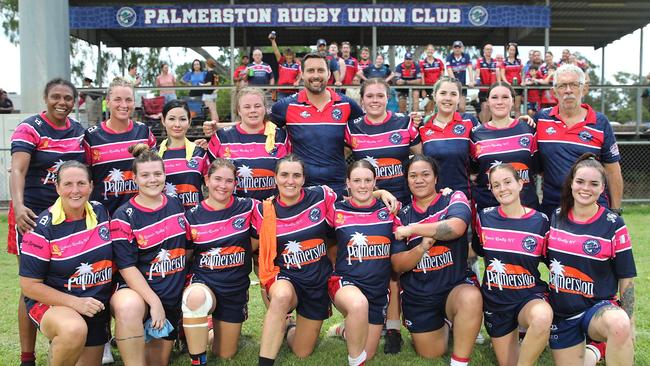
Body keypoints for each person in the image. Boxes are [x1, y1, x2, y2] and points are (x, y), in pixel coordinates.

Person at [9, 78, 86, 366]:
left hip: (70, 218)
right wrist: (18, 206)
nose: (62, 102)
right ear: (45, 97)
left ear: (75, 101)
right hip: (33, 218)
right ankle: (27, 357)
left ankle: (78, 339)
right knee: (31, 285)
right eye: (56, 96)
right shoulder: (30, 128)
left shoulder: (79, 132)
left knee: (71, 278)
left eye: (68, 98)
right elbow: (17, 169)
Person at [344, 78, 422, 354]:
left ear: (387, 98)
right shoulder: (352, 128)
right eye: (370, 96)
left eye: (380, 95)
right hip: (365, 206)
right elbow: (348, 164)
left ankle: (393, 328)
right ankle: (354, 323)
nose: (375, 100)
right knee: (373, 265)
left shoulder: (403, 124)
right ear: (362, 100)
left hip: (399, 205)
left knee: (395, 268)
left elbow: (420, 159)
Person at [19, 161, 113, 366]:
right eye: (68, 184)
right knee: (73, 329)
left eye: (81, 183)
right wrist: (75, 303)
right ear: (57, 187)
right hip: (53, 303)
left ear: (91, 186)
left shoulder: (100, 212)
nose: (75, 190)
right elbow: (28, 286)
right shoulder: (41, 228)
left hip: (92, 308)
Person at [392, 154, 482, 365]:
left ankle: (459, 361)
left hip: (454, 285)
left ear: (435, 178)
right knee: (431, 353)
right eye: (413, 175)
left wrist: (413, 230)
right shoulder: (401, 216)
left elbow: (456, 228)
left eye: (425, 174)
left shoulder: (453, 198)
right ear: (406, 180)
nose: (419, 180)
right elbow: (397, 264)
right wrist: (422, 247)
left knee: (470, 298)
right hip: (419, 294)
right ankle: (448, 324)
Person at [547, 154, 635, 366]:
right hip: (563, 315)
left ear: (602, 188)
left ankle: (601, 342)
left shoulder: (613, 224)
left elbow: (626, 278)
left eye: (594, 183)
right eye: (580, 181)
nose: (585, 188)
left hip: (597, 308)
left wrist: (629, 323)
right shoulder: (556, 217)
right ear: (571, 183)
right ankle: (595, 349)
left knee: (619, 324)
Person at [253, 155, 338, 365]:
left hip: (317, 281)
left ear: (303, 179)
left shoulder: (321, 196)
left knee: (302, 352)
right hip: (286, 278)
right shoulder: (263, 210)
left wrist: (379, 192)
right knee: (281, 296)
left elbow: (354, 203)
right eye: (284, 175)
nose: (290, 181)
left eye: (296, 175)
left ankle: (288, 327)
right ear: (275, 178)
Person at [109, 144, 187, 366]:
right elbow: (126, 267)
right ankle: (129, 330)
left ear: (165, 175)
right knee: (128, 307)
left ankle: (135, 337)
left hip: (170, 297)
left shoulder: (175, 204)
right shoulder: (123, 216)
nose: (152, 180)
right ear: (134, 178)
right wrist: (154, 302)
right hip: (139, 294)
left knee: (157, 363)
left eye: (157, 174)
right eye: (145, 175)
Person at [475, 163, 552, 366]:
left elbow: (555, 261)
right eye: (496, 185)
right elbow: (473, 251)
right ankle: (519, 339)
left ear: (520, 183)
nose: (503, 189)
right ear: (491, 189)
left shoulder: (540, 221)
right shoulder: (484, 218)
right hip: (497, 302)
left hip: (528, 297)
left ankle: (532, 332)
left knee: (542, 318)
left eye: (508, 182)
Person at [182, 158, 257, 365]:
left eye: (229, 181)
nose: (222, 186)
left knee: (225, 354)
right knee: (196, 299)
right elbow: (187, 256)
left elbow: (257, 242)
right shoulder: (192, 216)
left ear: (235, 184)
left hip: (235, 288)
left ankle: (204, 328)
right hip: (205, 282)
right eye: (217, 179)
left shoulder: (248, 207)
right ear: (206, 180)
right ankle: (197, 359)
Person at [325, 160, 398, 364]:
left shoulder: (390, 211)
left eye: (367, 180)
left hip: (377, 291)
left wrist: (446, 193)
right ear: (348, 183)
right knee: (358, 305)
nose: (363, 185)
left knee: (369, 351)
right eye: (357, 180)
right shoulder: (336, 210)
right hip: (345, 283)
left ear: (375, 182)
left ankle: (345, 329)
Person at [270, 52, 364, 197]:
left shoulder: (347, 104)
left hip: (338, 187)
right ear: (302, 74)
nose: (316, 75)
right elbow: (261, 128)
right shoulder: (285, 106)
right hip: (301, 188)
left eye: (320, 70)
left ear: (328, 74)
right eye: (310, 70)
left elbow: (368, 129)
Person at [535, 64, 623, 218]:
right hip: (553, 208)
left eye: (574, 85)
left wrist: (615, 211)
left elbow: (612, 171)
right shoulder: (541, 119)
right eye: (562, 85)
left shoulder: (600, 122)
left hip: (593, 209)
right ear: (554, 91)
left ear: (584, 89)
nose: (568, 90)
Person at [84, 77, 157, 215]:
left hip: (141, 217)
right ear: (108, 101)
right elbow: (84, 180)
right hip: (104, 218)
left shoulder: (143, 132)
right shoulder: (92, 137)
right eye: (117, 99)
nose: (124, 105)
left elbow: (156, 168)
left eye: (128, 100)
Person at [208, 87, 290, 201]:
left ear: (265, 108)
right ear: (239, 110)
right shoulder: (222, 137)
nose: (253, 110)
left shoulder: (280, 136)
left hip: (272, 209)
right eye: (247, 107)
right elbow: (208, 176)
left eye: (257, 106)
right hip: (234, 211)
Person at [470, 82, 539, 212]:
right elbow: (473, 172)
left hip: (526, 207)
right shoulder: (476, 134)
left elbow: (537, 167)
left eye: (505, 97)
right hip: (488, 209)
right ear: (487, 102)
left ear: (513, 101)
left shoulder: (528, 129)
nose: (500, 102)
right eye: (494, 97)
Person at [419, 76, 479, 198]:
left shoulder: (469, 121)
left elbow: (486, 149)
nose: (448, 98)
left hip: (463, 197)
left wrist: (523, 123)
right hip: (430, 200)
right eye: (443, 93)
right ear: (435, 96)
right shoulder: (422, 127)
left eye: (453, 94)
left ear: (459, 98)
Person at [158, 99, 209, 208]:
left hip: (195, 221)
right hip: (165, 221)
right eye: (171, 119)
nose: (177, 124)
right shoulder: (154, 156)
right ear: (163, 120)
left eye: (182, 119)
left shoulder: (200, 153)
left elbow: (213, 187)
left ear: (189, 121)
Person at [269, 32, 301, 100]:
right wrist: (273, 40)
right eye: (287, 55)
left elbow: (301, 73)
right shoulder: (282, 62)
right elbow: (276, 51)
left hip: (293, 90)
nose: (289, 57)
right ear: (285, 56)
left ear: (293, 56)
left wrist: (298, 81)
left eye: (290, 55)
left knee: (293, 109)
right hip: (281, 91)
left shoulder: (297, 65)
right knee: (282, 109)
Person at [445, 40, 474, 113]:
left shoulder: (466, 56)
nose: (457, 49)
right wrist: (455, 82)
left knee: (462, 107)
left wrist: (471, 81)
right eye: (455, 47)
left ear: (462, 48)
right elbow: (449, 70)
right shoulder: (449, 57)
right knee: (452, 107)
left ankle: (461, 123)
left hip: (463, 85)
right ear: (453, 48)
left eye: (459, 47)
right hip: (453, 85)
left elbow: (470, 68)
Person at [475, 43, 500, 123]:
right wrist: (476, 80)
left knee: (490, 108)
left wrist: (499, 85)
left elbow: (498, 74)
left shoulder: (495, 61)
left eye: (490, 49)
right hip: (483, 89)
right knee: (485, 107)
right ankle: (484, 126)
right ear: (484, 51)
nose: (489, 51)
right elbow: (477, 72)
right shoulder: (480, 61)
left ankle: (486, 125)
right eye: (487, 49)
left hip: (493, 90)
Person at [499, 42, 524, 118]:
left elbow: (522, 73)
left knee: (517, 107)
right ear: (508, 50)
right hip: (508, 87)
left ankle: (518, 124)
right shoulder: (504, 62)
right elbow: (502, 74)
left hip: (518, 86)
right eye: (510, 50)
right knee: (508, 106)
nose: (512, 52)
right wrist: (507, 83)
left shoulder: (519, 61)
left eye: (513, 50)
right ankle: (508, 124)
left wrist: (523, 81)